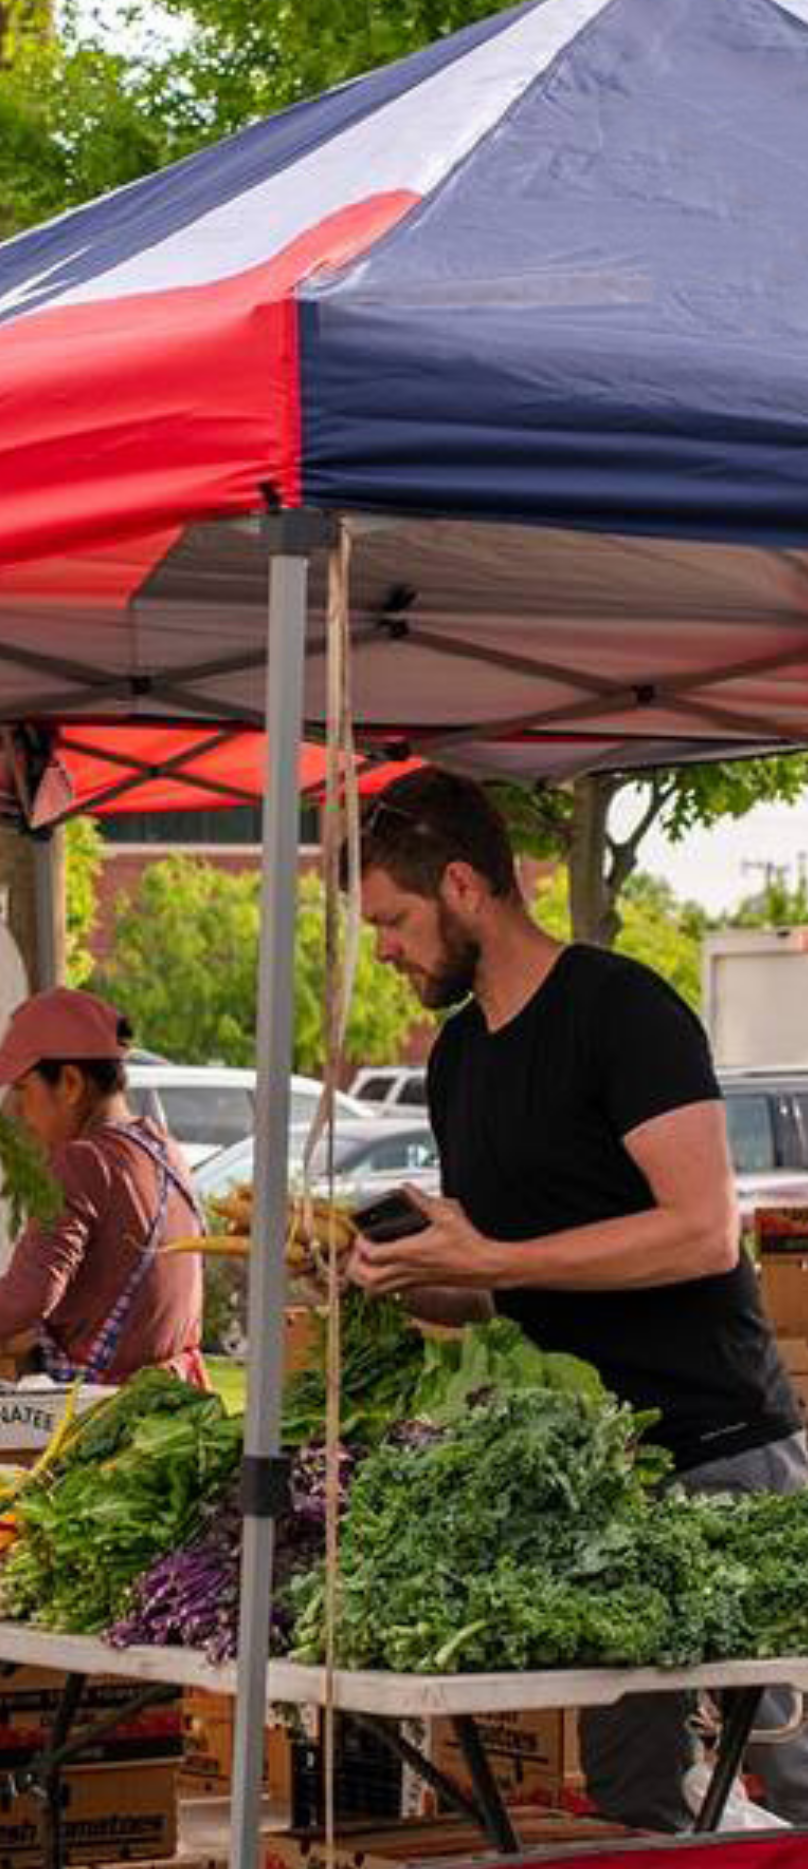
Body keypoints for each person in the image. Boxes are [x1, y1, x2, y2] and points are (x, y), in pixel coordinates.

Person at [342, 768, 805, 1829]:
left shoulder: (620, 1008)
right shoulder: (457, 1057)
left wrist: (493, 1256)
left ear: (461, 885)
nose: (381, 949)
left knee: (791, 1770)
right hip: (596, 1489)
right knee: (635, 1796)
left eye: (391, 920)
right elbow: (501, 1273)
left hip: (720, 1451)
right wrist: (408, 1271)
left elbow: (698, 1229)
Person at [0, 989, 205, 1390]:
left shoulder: (80, 1162)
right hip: (172, 1400)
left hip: (110, 1417)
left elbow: (30, 1292)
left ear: (70, 1083)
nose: (18, 1109)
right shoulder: (163, 1149)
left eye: (23, 1089)